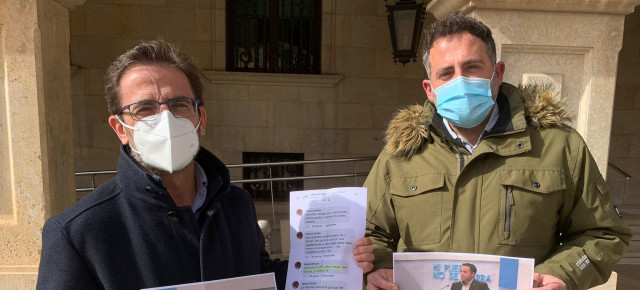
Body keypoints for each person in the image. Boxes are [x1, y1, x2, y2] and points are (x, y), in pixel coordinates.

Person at [36, 39, 374, 290]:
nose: (165, 118)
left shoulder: (236, 205)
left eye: (179, 104)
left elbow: (260, 278)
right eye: (144, 109)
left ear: (200, 118)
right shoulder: (78, 234)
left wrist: (340, 263)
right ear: (120, 129)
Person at [363, 12, 631, 290]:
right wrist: (378, 269)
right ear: (430, 89)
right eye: (447, 73)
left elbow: (603, 234)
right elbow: (369, 235)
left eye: (472, 67)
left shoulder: (559, 146)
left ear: (498, 73)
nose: (461, 81)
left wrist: (562, 274)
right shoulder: (401, 153)